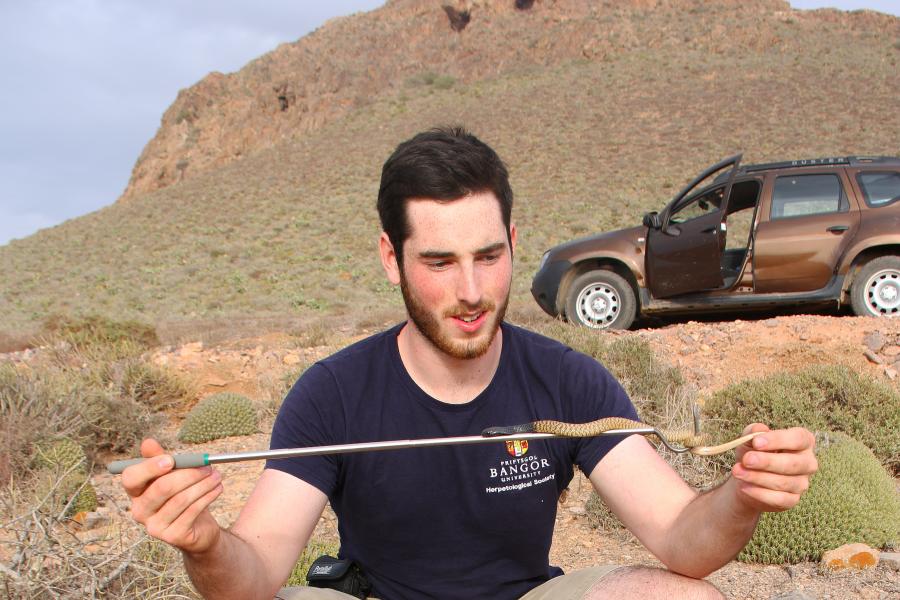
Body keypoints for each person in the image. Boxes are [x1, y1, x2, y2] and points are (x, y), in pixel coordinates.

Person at [120, 127, 818, 600]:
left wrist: (743, 496)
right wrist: (206, 544)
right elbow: (258, 569)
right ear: (391, 258)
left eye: (489, 256)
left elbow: (682, 540)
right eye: (439, 262)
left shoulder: (568, 381)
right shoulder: (332, 392)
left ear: (514, 239)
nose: (472, 292)